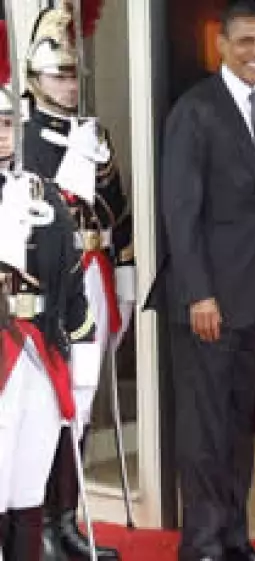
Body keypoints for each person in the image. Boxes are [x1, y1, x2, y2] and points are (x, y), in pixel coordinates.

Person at [143, 2, 255, 560]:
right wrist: (200, 292)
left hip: (251, 298)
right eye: (246, 41)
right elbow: (180, 211)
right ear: (220, 45)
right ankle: (200, 545)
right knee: (202, 429)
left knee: (235, 425)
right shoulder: (196, 109)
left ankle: (234, 539)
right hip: (208, 301)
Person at [23, 4, 134, 559]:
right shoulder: (19, 135)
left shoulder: (95, 133)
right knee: (45, 402)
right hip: (42, 287)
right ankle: (36, 521)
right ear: (33, 76)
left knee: (81, 404)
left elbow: (119, 211)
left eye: (73, 75)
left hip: (93, 277)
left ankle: (66, 519)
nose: (69, 85)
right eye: (58, 75)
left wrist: (130, 274)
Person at [0, 58, 95, 560]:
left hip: (38, 352)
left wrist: (82, 343)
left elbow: (71, 270)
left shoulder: (37, 190)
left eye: (9, 121)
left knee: (27, 484)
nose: (3, 132)